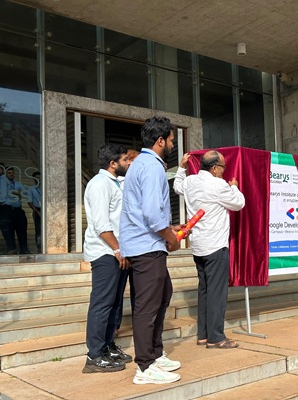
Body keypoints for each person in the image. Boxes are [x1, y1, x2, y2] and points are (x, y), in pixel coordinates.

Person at [119, 116, 182, 385]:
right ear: (160, 141)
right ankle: (144, 367)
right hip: (148, 245)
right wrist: (173, 237)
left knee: (162, 295)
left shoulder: (141, 164)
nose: (171, 145)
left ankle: (155, 354)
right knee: (147, 307)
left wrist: (168, 229)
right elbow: (152, 214)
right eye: (170, 141)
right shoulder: (152, 167)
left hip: (145, 244)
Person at [174, 150, 245, 349]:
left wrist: (181, 167)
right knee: (216, 293)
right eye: (223, 167)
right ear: (214, 168)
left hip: (198, 245)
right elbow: (239, 204)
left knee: (204, 291)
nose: (224, 171)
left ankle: (203, 335)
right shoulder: (218, 184)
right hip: (215, 245)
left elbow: (177, 186)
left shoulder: (190, 182)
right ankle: (216, 337)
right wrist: (234, 188)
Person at [82, 144, 133, 373]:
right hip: (105, 252)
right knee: (102, 303)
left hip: (116, 251)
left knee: (114, 303)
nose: (127, 163)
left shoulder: (115, 183)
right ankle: (94, 355)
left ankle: (107, 346)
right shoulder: (99, 184)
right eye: (124, 159)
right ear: (113, 164)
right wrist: (117, 249)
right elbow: (101, 224)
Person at [114, 149, 139, 337]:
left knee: (139, 291)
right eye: (129, 161)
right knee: (117, 290)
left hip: (138, 245)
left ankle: (141, 326)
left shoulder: (138, 183)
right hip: (121, 245)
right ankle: (113, 326)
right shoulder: (117, 184)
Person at [0, 167, 29, 254]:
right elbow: (4, 193)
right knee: (8, 230)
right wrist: (16, 192)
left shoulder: (18, 183)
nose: (11, 174)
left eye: (12, 173)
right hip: (6, 209)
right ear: (5, 174)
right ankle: (11, 249)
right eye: (9, 173)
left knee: (22, 230)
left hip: (18, 209)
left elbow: (25, 192)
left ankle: (24, 249)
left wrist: (15, 192)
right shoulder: (2, 183)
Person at [27, 171, 42, 251]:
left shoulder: (45, 188)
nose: (38, 179)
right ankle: (39, 247)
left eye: (39, 177)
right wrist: (37, 211)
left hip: (47, 209)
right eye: (36, 177)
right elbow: (29, 201)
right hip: (37, 209)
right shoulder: (31, 189)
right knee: (38, 229)